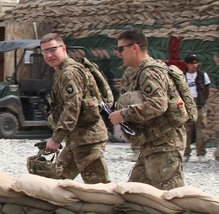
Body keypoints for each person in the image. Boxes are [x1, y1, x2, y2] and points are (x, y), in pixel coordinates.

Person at [109, 29, 186, 189]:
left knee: (171, 199)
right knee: (135, 195)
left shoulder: (150, 72)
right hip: (153, 144)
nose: (119, 54)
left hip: (165, 146)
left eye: (121, 49)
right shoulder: (140, 71)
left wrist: (124, 114)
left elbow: (159, 104)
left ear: (135, 47)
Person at [38, 34, 109, 183]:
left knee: (98, 188)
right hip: (76, 139)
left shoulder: (69, 73)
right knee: (57, 180)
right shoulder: (61, 71)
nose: (49, 55)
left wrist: (56, 139)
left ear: (63, 48)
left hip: (88, 140)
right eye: (44, 51)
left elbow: (72, 109)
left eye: (52, 50)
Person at [183, 54, 211, 161]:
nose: (194, 65)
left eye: (196, 62)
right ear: (187, 64)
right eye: (191, 63)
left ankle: (201, 153)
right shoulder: (183, 76)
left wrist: (202, 100)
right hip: (187, 104)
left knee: (201, 129)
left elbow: (206, 90)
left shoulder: (203, 75)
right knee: (187, 130)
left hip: (199, 104)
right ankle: (186, 153)